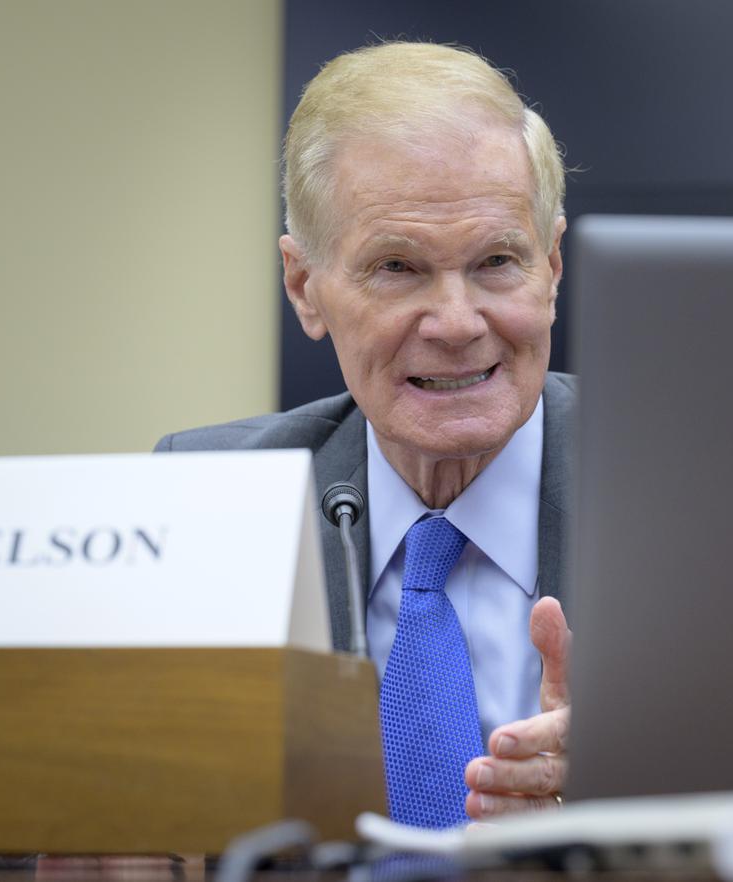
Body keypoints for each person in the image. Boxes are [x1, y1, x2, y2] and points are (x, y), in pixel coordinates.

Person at [155, 42, 572, 828]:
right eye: (397, 267)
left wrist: (641, 790)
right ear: (304, 288)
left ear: (551, 265)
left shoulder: (685, 487)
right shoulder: (210, 498)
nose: (456, 323)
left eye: (496, 261)